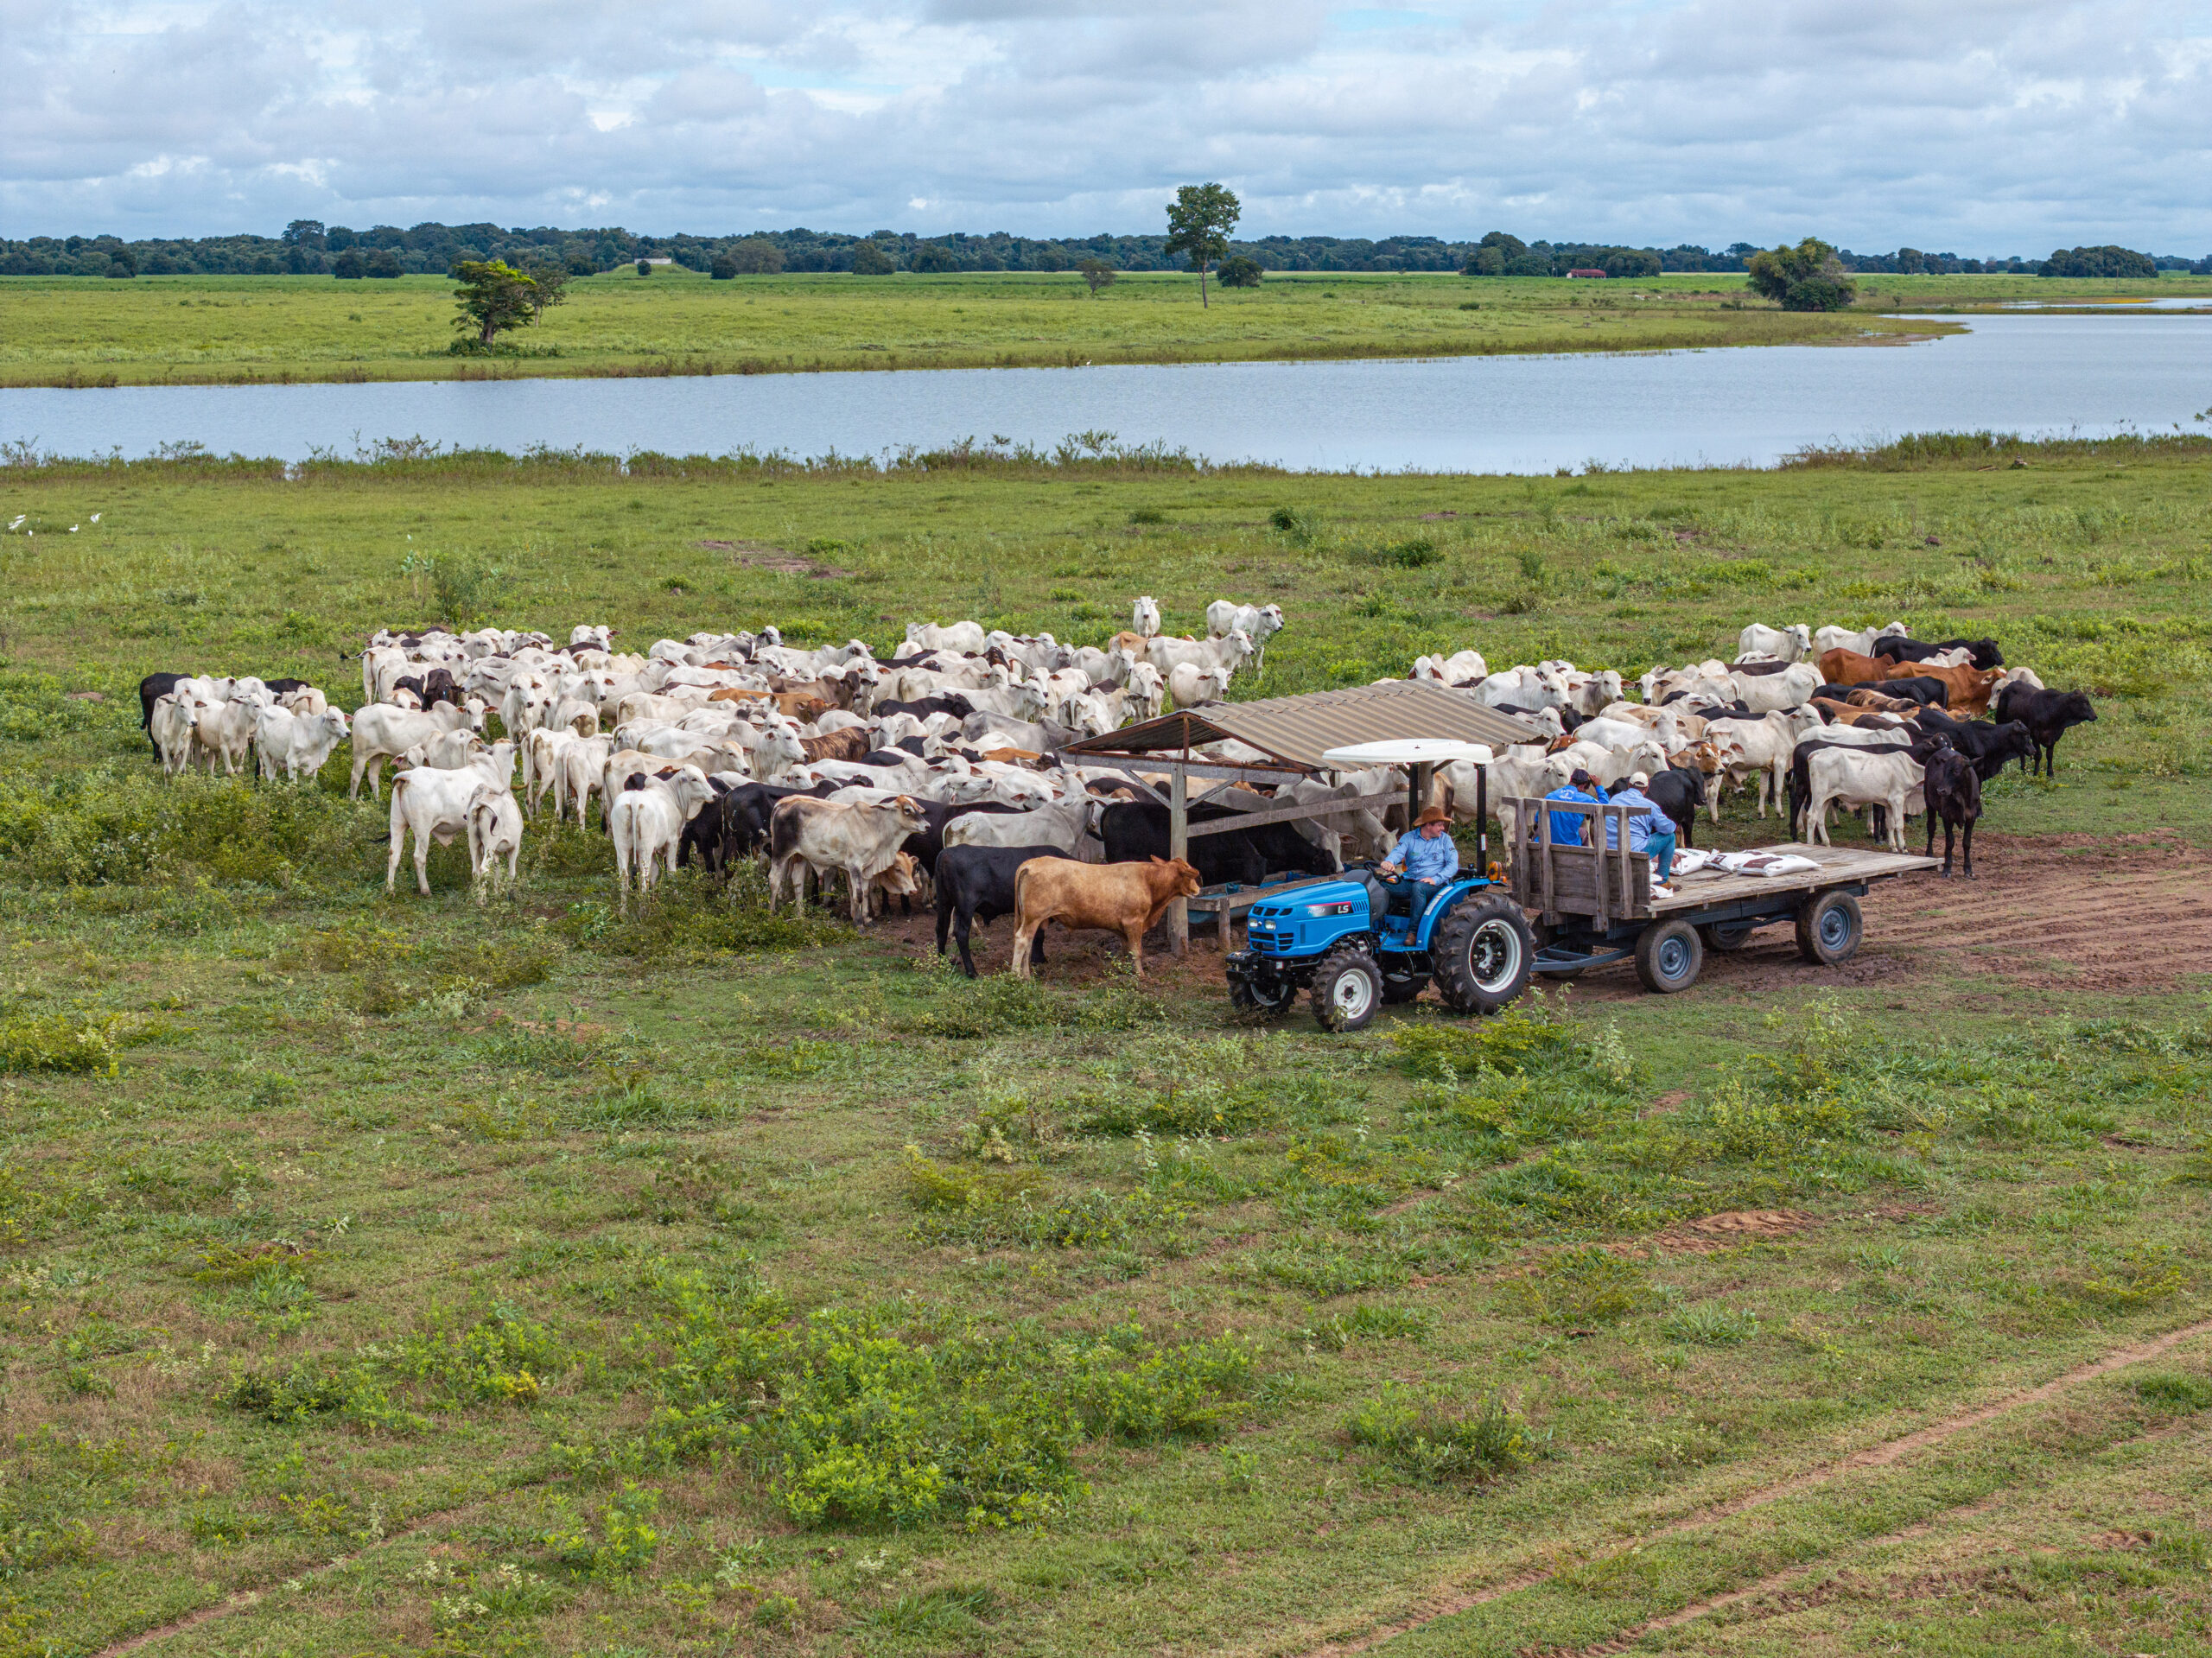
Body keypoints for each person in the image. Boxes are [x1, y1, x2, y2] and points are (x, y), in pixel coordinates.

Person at [1605, 770, 1679, 898]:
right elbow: (1668, 829)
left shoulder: (1614, 799)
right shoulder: (1649, 805)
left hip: (1610, 850)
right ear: (1646, 789)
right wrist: (1673, 824)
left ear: (1629, 785)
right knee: (1670, 837)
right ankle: (1662, 880)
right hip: (1635, 853)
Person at [1376, 804, 1459, 918]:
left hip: (1435, 884)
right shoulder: (1408, 838)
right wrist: (1389, 862)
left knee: (1418, 888)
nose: (1443, 828)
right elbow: (1398, 852)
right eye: (1440, 825)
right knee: (1380, 885)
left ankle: (1413, 932)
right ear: (1429, 825)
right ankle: (1381, 925)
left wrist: (1435, 879)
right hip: (1410, 881)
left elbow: (1453, 865)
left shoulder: (1445, 840)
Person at [1542, 768, 1609, 847]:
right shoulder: (1584, 798)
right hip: (1572, 845)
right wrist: (1598, 786)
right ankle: (1585, 858)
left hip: (1548, 844)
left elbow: (1538, 819)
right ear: (1583, 786)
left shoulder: (1550, 796)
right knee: (1583, 833)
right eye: (1586, 789)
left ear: (1571, 780)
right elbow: (1605, 807)